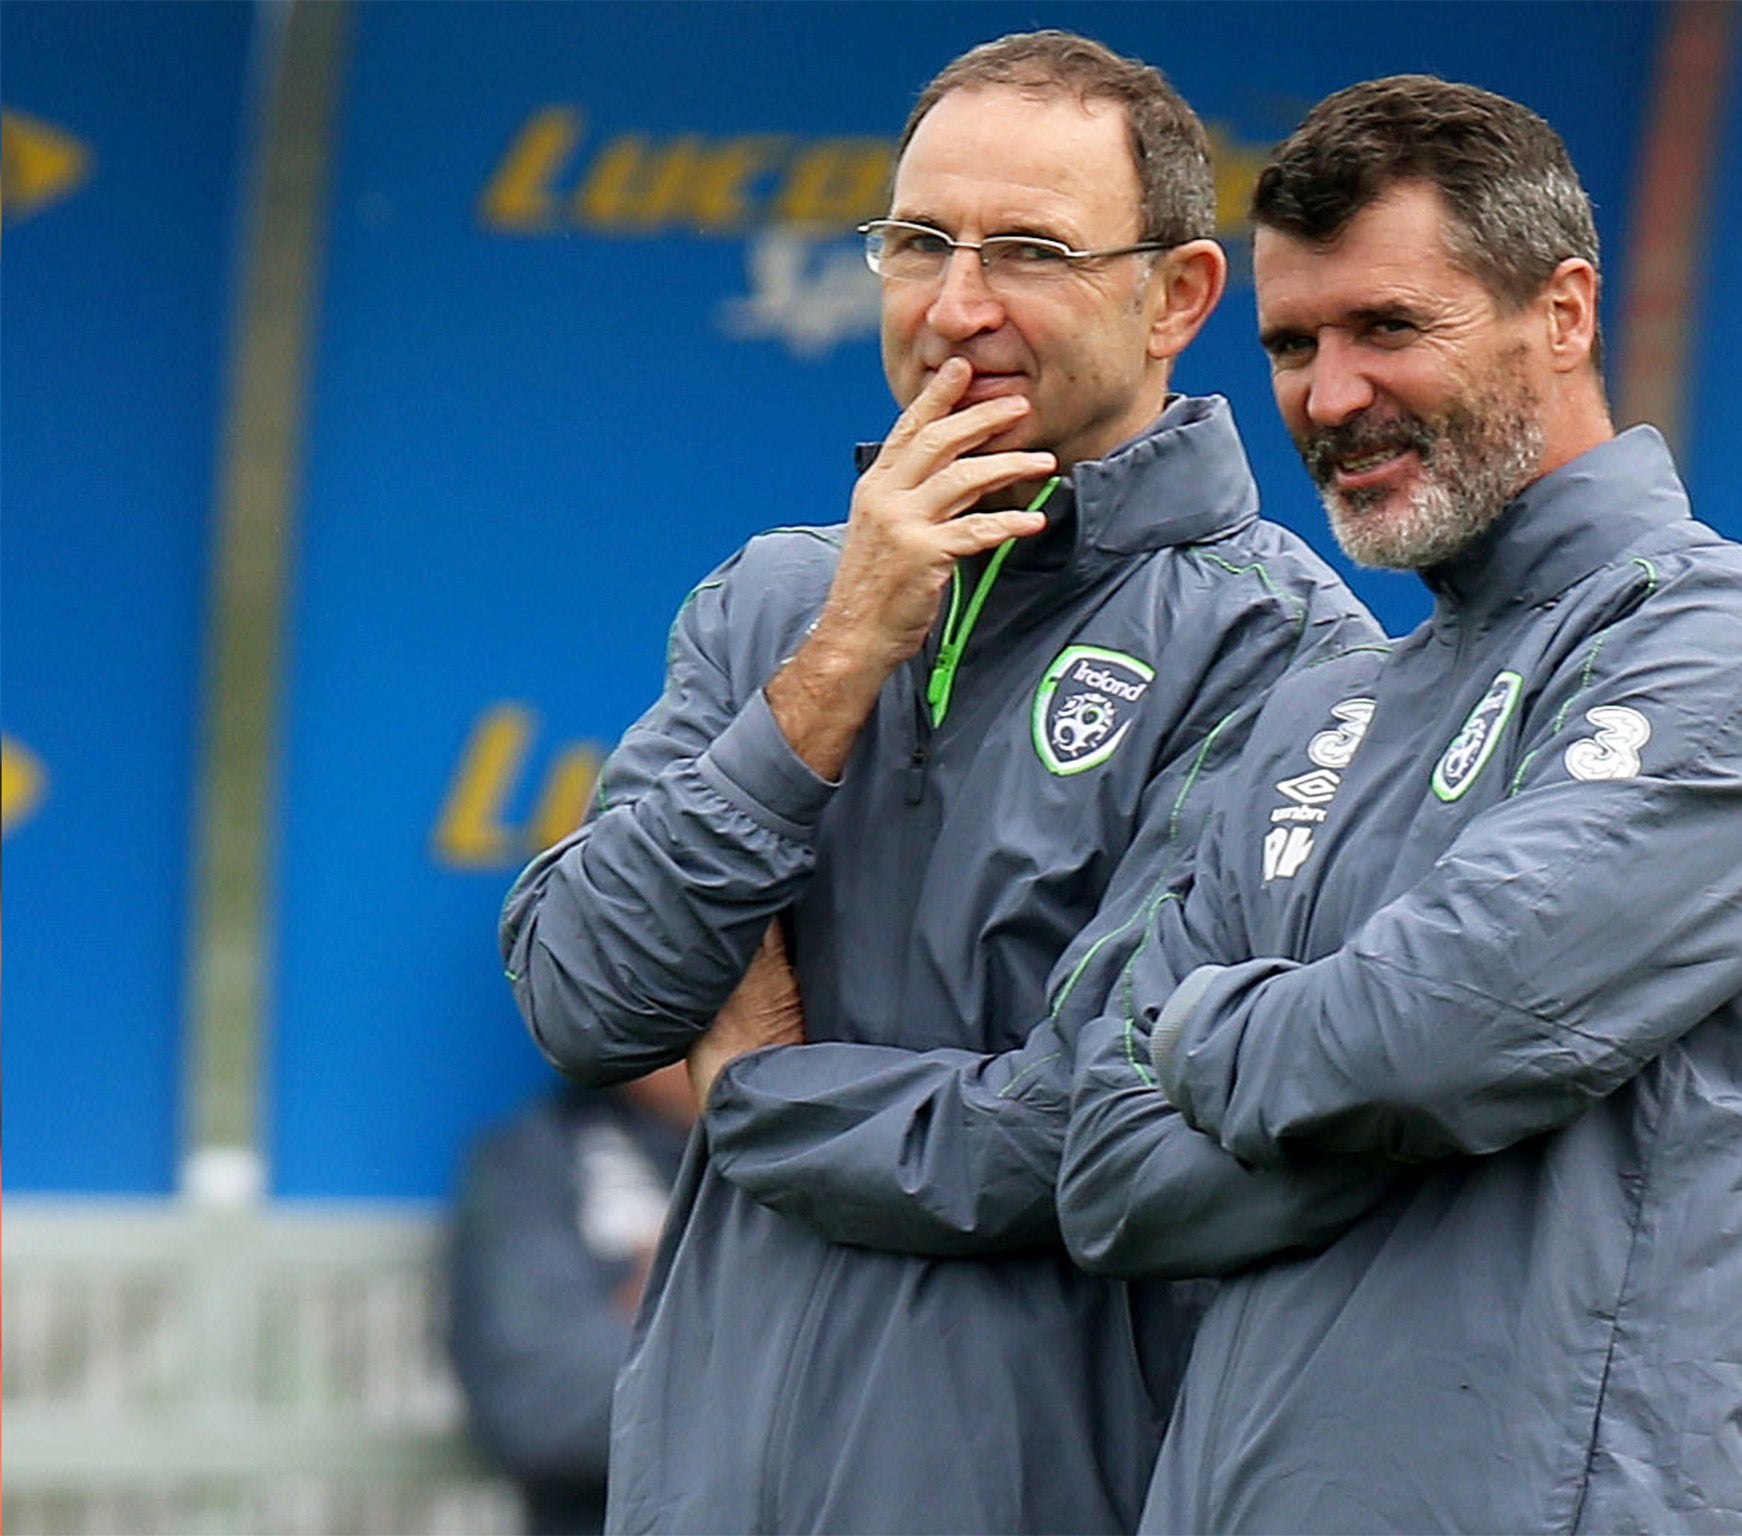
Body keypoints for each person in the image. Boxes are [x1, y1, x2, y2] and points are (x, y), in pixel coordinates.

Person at [500, 30, 1373, 1535]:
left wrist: (761, 1094)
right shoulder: (780, 605)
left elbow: (1100, 1123)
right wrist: (837, 668)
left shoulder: (1284, 650)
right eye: (919, 243)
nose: (957, 307)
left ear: (1178, 296)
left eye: (1030, 250)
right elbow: (584, 1000)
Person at [1057, 74, 1742, 1533]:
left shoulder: (1722, 655)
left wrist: (1207, 1034)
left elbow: (1422, 1038)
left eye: (1388, 327)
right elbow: (1108, 1170)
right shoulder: (1322, 700)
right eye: (1293, 344)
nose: (1330, 394)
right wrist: (1382, 1109)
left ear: (1562, 315)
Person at [448, 1061, 695, 1536]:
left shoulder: (816, 1158)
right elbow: (540, 1415)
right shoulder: (536, 1158)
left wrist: (657, 1310)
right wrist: (713, 1302)